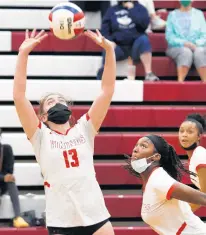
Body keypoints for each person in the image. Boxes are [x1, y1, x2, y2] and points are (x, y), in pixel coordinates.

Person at [13, 29, 116, 235]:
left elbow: (107, 90)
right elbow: (19, 96)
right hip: (62, 220)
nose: (57, 102)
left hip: (95, 215)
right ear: (42, 116)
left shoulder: (85, 128)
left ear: (69, 110)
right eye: (50, 102)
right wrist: (23, 55)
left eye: (60, 100)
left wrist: (109, 51)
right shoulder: (40, 135)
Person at [124, 134, 206, 234]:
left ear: (156, 157)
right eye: (136, 145)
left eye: (143, 146)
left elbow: (203, 198)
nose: (136, 149)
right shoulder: (151, 181)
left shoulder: (159, 179)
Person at [97, 0, 159, 81]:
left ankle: (149, 73)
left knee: (144, 40)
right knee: (108, 46)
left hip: (135, 46)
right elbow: (105, 29)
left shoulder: (140, 8)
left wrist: (132, 10)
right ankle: (104, 75)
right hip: (118, 46)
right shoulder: (112, 10)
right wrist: (110, 40)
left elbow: (144, 25)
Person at [166, 0, 206, 82]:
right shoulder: (172, 15)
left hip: (197, 45)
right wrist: (184, 43)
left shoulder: (199, 14)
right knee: (186, 52)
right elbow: (170, 36)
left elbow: (204, 34)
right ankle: (180, 82)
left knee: (200, 51)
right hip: (177, 46)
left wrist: (196, 44)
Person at [179, 113, 206, 212]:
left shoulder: (200, 156)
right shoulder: (195, 156)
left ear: (199, 136)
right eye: (181, 131)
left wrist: (183, 214)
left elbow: (204, 195)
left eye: (190, 132)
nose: (184, 135)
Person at [0, 143, 29, 228]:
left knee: (11, 180)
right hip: (2, 179)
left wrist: (6, 177)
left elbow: (9, 170)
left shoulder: (6, 149)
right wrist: (3, 177)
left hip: (3, 184)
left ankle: (18, 217)